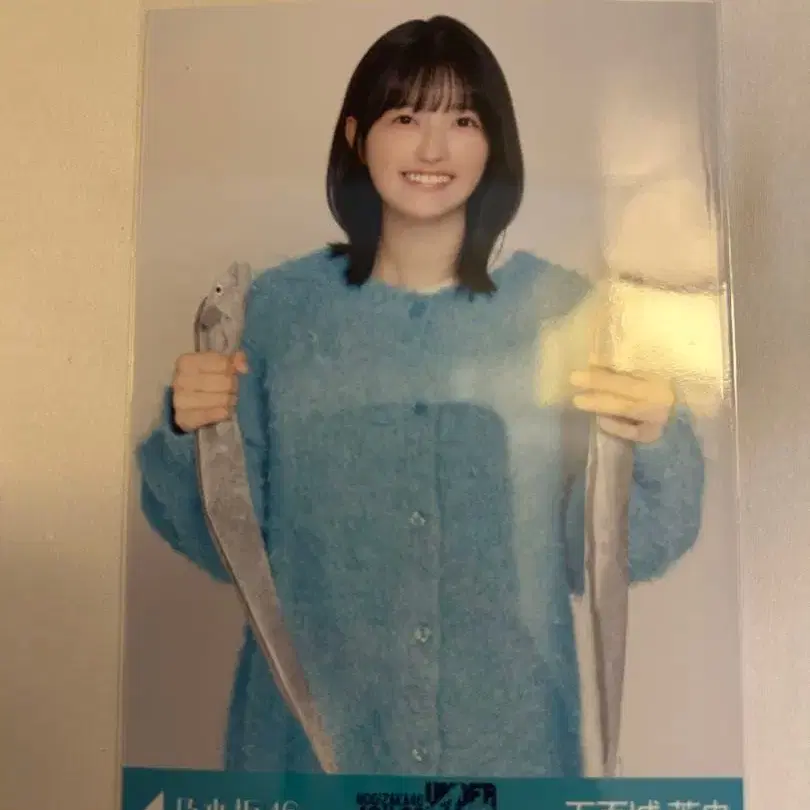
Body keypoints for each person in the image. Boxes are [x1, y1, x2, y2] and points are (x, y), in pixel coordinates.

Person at [136, 15, 705, 777]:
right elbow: (228, 548)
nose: (433, 150)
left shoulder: (565, 311)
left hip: (508, 752)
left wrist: (653, 443)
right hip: (306, 755)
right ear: (355, 135)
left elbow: (593, 556)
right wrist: (191, 431)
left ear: (494, 142)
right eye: (405, 117)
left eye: (463, 120)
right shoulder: (275, 314)